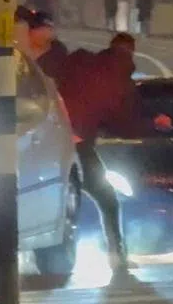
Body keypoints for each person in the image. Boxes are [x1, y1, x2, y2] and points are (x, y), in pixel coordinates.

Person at [55, 33, 139, 274]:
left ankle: (54, 254)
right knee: (107, 199)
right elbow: (120, 118)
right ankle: (116, 253)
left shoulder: (82, 63)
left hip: (51, 140)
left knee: (58, 199)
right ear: (130, 51)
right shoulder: (118, 76)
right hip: (76, 145)